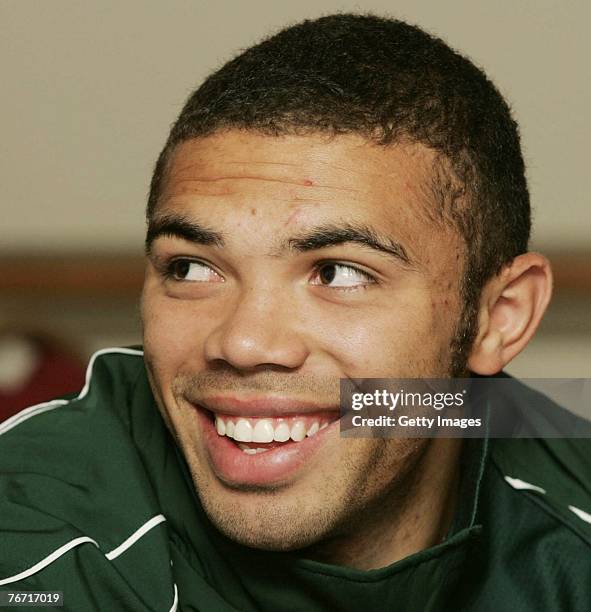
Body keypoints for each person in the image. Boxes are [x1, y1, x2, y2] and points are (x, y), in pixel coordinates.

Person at [1, 13, 590, 612]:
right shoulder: (38, 550)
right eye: (192, 268)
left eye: (337, 272)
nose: (244, 343)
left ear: (500, 317)